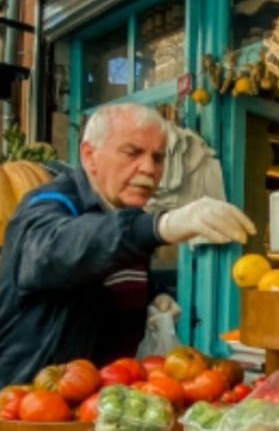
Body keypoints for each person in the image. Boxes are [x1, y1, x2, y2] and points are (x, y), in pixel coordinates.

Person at [0, 103, 256, 387]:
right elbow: (54, 252)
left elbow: (106, 283)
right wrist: (160, 226)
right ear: (89, 155)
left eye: (158, 158)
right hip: (30, 407)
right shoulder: (51, 203)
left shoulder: (124, 213)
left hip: (105, 403)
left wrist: (153, 298)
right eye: (132, 153)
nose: (149, 168)